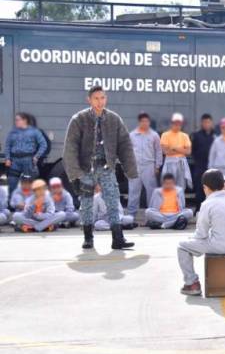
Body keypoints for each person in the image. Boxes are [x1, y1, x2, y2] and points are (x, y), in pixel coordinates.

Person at [63, 85, 137, 249]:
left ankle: (118, 238)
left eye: (102, 98)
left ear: (106, 99)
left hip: (106, 167)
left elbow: (125, 144)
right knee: (87, 203)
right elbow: (71, 147)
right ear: (89, 99)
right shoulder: (79, 119)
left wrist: (130, 169)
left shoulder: (114, 119)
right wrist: (75, 173)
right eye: (96, 98)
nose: (99, 101)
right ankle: (88, 237)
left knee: (112, 200)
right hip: (86, 168)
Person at [177, 169, 225, 296]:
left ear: (205, 188)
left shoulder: (208, 204)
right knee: (212, 236)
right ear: (224, 184)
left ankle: (192, 283)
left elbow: (201, 234)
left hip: (222, 246)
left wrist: (192, 240)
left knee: (182, 246)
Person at [4, 112, 48, 196]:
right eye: (15, 120)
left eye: (18, 120)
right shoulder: (13, 132)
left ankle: (29, 204)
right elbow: (7, 146)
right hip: (14, 161)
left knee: (29, 184)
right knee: (12, 182)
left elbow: (43, 144)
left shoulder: (34, 132)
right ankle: (12, 205)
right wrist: (7, 158)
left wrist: (37, 156)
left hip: (28, 161)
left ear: (25, 120)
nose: (16, 122)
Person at [128, 112, 162, 217]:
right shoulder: (132, 135)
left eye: (147, 121)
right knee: (133, 191)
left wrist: (157, 166)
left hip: (149, 165)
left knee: (151, 191)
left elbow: (158, 151)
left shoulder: (154, 135)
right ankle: (131, 216)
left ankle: (152, 216)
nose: (145, 123)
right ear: (139, 122)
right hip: (135, 166)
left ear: (149, 122)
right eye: (143, 121)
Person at [160, 113, 193, 190]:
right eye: (175, 124)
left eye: (179, 124)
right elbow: (166, 152)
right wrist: (182, 150)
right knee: (169, 184)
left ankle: (180, 202)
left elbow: (188, 151)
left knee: (181, 186)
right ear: (172, 124)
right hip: (170, 163)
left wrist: (174, 148)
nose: (177, 126)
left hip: (181, 163)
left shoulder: (185, 136)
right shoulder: (165, 135)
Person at [191, 114, 215, 210]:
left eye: (208, 122)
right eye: (205, 122)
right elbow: (193, 151)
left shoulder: (215, 136)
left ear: (211, 123)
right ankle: (199, 210)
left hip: (212, 168)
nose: (206, 124)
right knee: (200, 190)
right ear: (202, 123)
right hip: (200, 167)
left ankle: (211, 210)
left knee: (212, 190)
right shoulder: (196, 136)